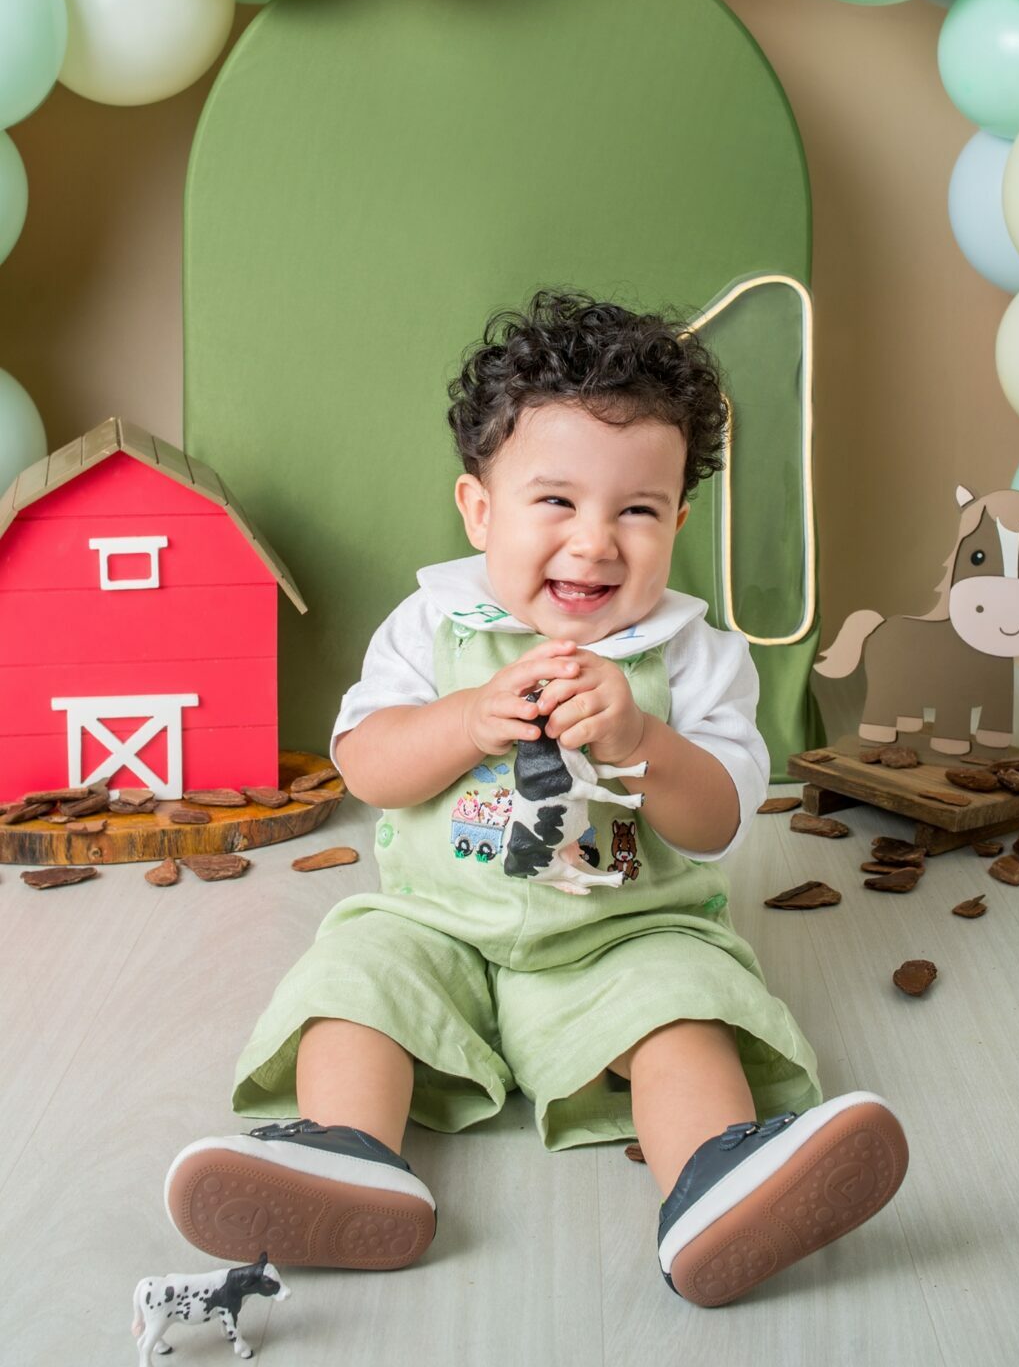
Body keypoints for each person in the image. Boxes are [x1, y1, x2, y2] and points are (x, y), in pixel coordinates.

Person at [165, 290, 907, 1308]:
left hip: (622, 933)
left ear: (677, 522)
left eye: (636, 510)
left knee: (679, 1005)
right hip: (438, 923)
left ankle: (717, 1175)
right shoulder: (431, 625)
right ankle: (347, 1155)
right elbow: (367, 766)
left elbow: (720, 822)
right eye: (555, 501)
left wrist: (643, 741)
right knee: (355, 977)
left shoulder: (694, 655)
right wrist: (466, 720)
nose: (595, 543)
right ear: (480, 509)